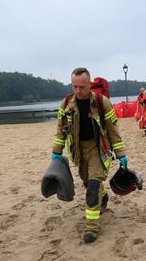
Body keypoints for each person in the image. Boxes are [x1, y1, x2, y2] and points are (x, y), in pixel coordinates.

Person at [52, 67, 128, 243]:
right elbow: (60, 131)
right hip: (78, 150)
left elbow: (112, 130)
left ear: (90, 84)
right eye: (74, 86)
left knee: (93, 185)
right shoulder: (66, 104)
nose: (78, 91)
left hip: (98, 149)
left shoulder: (103, 102)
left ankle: (92, 226)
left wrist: (120, 153)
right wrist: (56, 152)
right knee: (87, 181)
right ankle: (103, 196)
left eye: (82, 87)